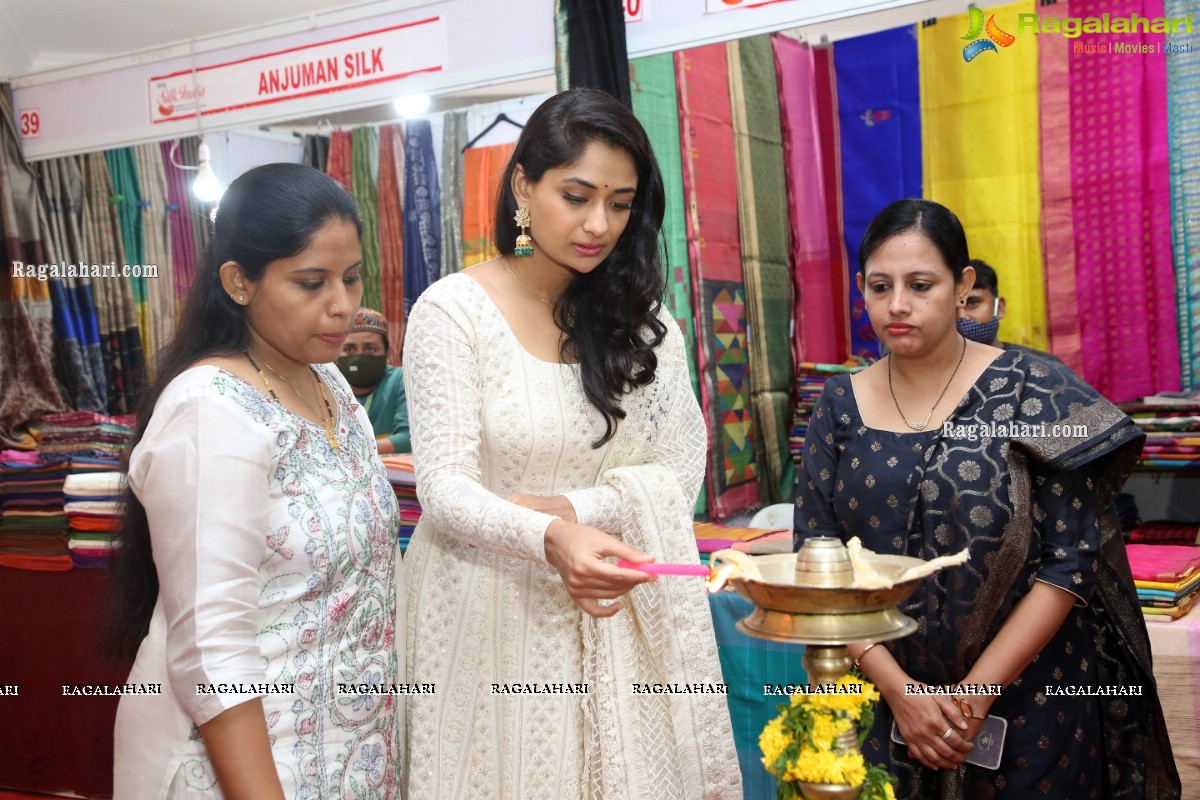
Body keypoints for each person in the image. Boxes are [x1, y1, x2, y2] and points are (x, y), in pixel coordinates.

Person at [402, 88, 741, 799]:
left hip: (614, 612)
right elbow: (444, 489)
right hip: (484, 611)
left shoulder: (646, 327)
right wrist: (548, 537)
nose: (598, 224)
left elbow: (680, 471)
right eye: (577, 195)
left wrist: (568, 509)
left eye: (620, 203)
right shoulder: (453, 312)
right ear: (523, 184)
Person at [794, 198, 1180, 799]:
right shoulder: (838, 407)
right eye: (879, 286)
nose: (898, 305)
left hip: (1033, 708)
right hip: (881, 701)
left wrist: (973, 698)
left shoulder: (1038, 389)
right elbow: (817, 560)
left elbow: (1070, 559)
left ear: (963, 284)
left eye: (921, 285)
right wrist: (899, 691)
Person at [110, 163, 404, 799]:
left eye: (352, 277)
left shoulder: (327, 384)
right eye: (311, 283)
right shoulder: (211, 410)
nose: (344, 305)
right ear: (239, 283)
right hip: (244, 766)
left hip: (346, 750)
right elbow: (211, 649)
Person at [956, 258, 1065, 365]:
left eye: (972, 303)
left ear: (999, 308)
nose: (961, 316)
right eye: (954, 307)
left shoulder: (1043, 367)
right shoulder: (942, 374)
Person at [338, 307, 410, 454]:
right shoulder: (327, 387)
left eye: (370, 349)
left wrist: (352, 451)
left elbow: (409, 439)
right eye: (350, 349)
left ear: (387, 351)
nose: (359, 358)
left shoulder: (401, 380)